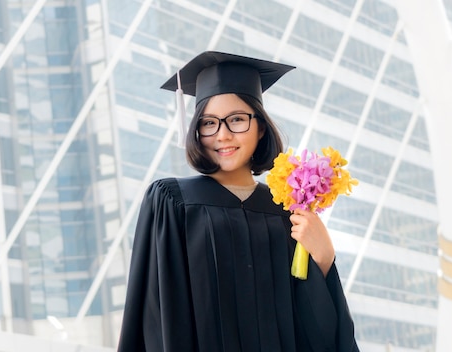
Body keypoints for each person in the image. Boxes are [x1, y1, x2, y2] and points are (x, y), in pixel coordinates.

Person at [117, 51, 359, 351]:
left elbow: (316, 332)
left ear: (260, 127)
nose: (222, 135)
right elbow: (156, 316)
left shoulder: (286, 213)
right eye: (208, 123)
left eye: (237, 120)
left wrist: (323, 259)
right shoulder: (171, 202)